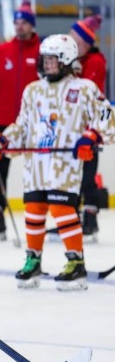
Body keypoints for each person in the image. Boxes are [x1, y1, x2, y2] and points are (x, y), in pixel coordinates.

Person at [0, 34, 115, 291]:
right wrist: (0, 143)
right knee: (34, 209)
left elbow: (107, 116)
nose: (46, 64)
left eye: (52, 60)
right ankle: (33, 259)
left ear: (66, 60)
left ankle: (76, 264)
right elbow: (22, 126)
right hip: (37, 163)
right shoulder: (33, 90)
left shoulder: (84, 88)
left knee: (62, 209)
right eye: (44, 59)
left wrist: (91, 137)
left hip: (64, 162)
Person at [0, 0, 40, 240]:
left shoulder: (42, 52)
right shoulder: (2, 51)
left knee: (36, 168)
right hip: (3, 121)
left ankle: (39, 210)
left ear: (32, 25)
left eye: (24, 22)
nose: (19, 26)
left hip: (32, 123)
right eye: (17, 22)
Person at [69, 14, 107, 241]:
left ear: (85, 42)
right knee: (72, 179)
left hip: (89, 130)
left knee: (87, 178)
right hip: (71, 130)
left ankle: (90, 221)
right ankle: (72, 218)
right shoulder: (78, 62)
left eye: (74, 40)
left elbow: (90, 95)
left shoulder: (95, 62)